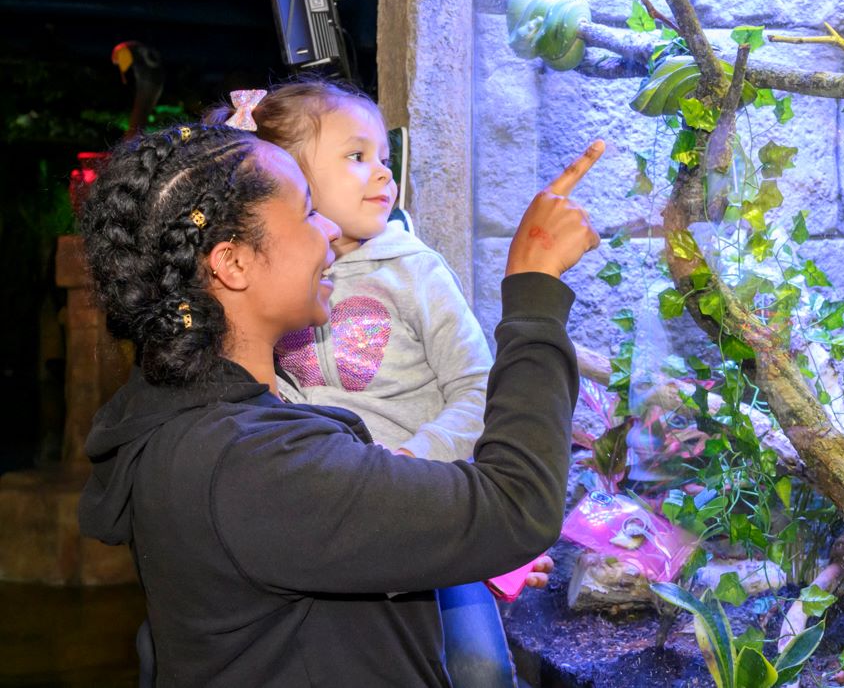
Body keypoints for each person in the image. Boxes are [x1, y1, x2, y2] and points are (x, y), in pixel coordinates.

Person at [77, 123, 602, 686]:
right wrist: (535, 289)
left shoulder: (185, 421)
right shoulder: (252, 465)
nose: (328, 229)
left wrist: (436, 534)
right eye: (305, 212)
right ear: (233, 265)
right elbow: (518, 505)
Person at [204, 79, 541, 687]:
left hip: (428, 505)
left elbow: (477, 388)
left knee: (480, 667)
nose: (383, 175)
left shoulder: (414, 268)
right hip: (337, 525)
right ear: (287, 180)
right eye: (357, 158)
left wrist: (414, 461)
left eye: (384, 158)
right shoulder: (269, 290)